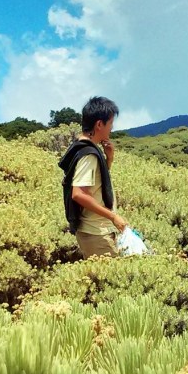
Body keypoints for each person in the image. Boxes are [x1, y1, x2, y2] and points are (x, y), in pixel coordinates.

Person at [59, 97, 128, 258]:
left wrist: (108, 160)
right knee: (109, 281)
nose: (112, 128)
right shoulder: (88, 154)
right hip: (96, 233)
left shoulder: (80, 147)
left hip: (94, 231)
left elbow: (94, 184)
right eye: (110, 123)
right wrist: (113, 216)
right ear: (99, 124)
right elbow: (79, 194)